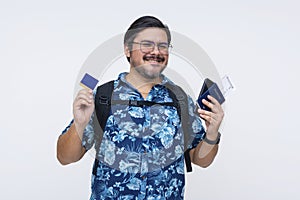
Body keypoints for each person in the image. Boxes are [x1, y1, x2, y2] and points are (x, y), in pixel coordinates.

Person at [57, 15, 224, 199]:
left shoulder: (180, 99)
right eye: (147, 44)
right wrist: (79, 125)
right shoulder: (103, 97)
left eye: (163, 46)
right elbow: (65, 158)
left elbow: (201, 160)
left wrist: (212, 133)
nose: (156, 51)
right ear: (127, 50)